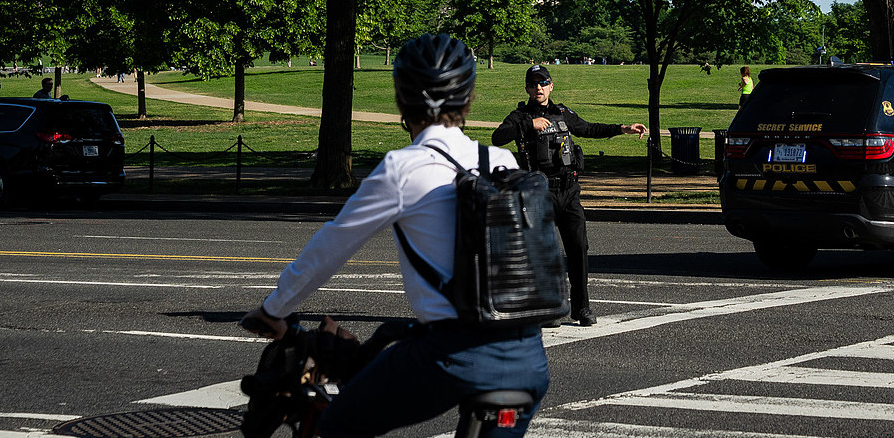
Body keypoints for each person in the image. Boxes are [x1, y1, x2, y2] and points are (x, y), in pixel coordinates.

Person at [240, 35, 548, 438]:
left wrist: (274, 309)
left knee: (337, 427)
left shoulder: (402, 169)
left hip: (451, 356)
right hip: (527, 357)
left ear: (402, 100)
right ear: (468, 98)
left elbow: (330, 249)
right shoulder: (500, 160)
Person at [492, 65, 646, 326]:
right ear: (528, 88)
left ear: (551, 86)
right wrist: (529, 124)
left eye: (543, 83)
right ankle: (549, 307)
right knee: (543, 252)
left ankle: (581, 308)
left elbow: (589, 128)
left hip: (569, 191)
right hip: (539, 193)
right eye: (533, 84)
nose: (538, 88)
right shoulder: (519, 115)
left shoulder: (562, 113)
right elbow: (498, 137)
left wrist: (623, 128)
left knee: (578, 249)